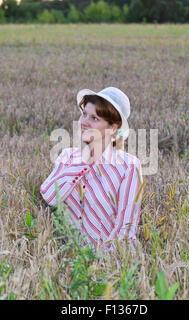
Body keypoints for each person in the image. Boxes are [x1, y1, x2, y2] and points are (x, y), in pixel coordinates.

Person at [40, 87, 144, 255]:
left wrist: (103, 266)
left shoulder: (129, 166)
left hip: (109, 263)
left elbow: (126, 227)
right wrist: (83, 159)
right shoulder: (67, 156)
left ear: (113, 127)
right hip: (67, 262)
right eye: (84, 114)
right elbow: (50, 197)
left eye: (94, 118)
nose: (84, 122)